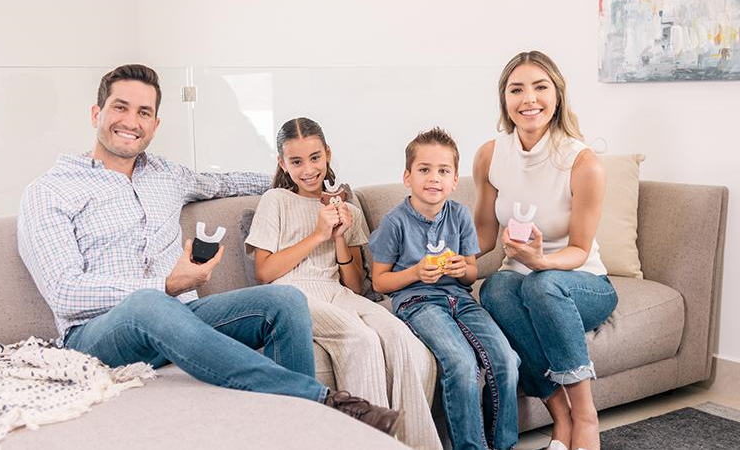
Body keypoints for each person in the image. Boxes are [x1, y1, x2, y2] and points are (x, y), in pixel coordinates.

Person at [17, 64, 400, 435]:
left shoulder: (166, 175)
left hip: (183, 320)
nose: (131, 121)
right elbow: (64, 292)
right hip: (99, 334)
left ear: (155, 124)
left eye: (144, 112)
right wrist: (165, 285)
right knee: (148, 303)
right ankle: (320, 403)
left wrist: (305, 185)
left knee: (284, 301)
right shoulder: (50, 191)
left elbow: (225, 183)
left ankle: (292, 436)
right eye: (121, 107)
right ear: (96, 113)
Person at [245, 117, 441, 450]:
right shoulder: (275, 200)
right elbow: (265, 272)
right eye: (296, 161)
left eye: (315, 158)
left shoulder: (347, 208)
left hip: (337, 292)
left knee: (401, 338)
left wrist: (338, 237)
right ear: (282, 163)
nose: (308, 169)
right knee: (361, 340)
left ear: (328, 154)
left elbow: (353, 285)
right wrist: (318, 234)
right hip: (293, 292)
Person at [473, 51, 618, 450]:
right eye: (516, 89)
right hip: (520, 283)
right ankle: (561, 417)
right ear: (504, 99)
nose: (529, 99)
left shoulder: (582, 162)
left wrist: (541, 262)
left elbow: (579, 249)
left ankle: (585, 418)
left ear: (557, 95)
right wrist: (450, 260)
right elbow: (483, 235)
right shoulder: (490, 155)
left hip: (582, 282)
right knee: (494, 288)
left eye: (540, 87)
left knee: (542, 284)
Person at [369, 127, 520, 450]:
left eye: (443, 171)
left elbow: (471, 274)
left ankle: (503, 444)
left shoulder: (461, 216)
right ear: (408, 177)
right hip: (418, 302)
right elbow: (380, 281)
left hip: (461, 299)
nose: (434, 178)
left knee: (506, 359)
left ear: (454, 181)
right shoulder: (395, 222)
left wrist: (463, 269)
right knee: (462, 364)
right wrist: (414, 272)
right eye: (424, 169)